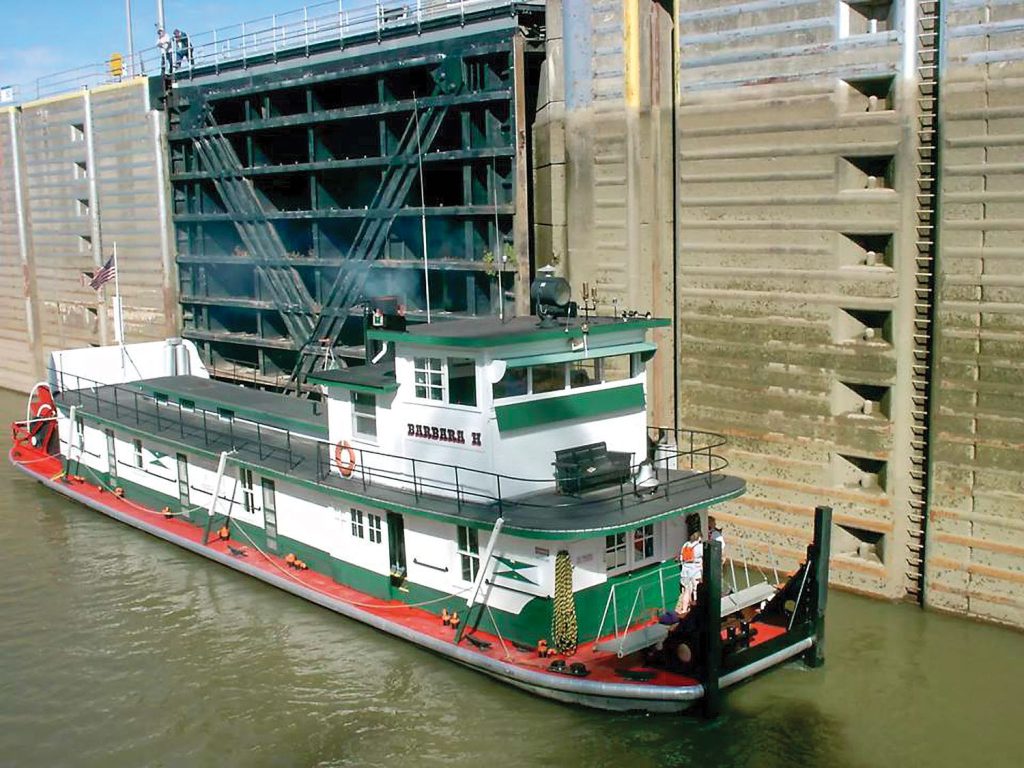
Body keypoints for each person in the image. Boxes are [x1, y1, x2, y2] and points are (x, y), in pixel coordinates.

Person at [675, 526, 703, 615]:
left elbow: (681, 558)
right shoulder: (699, 546)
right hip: (695, 571)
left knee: (687, 591)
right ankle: (696, 608)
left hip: (685, 570)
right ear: (699, 538)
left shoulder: (685, 545)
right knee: (696, 590)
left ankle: (684, 609)